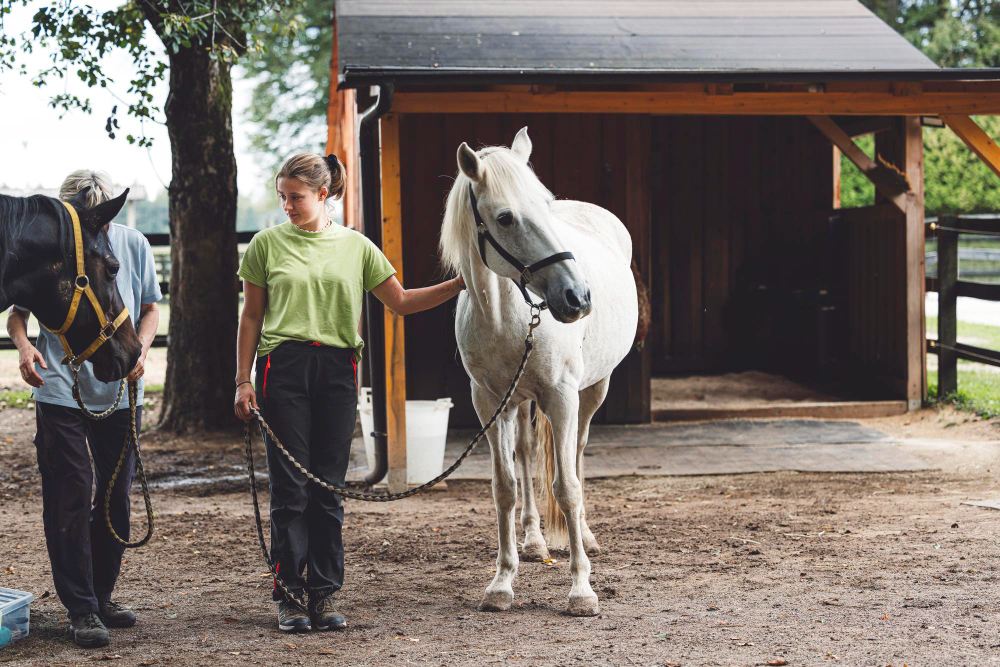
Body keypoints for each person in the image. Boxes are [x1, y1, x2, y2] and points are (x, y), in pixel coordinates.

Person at [233, 153, 464, 633]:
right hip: (283, 368)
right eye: (282, 197)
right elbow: (251, 316)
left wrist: (461, 283)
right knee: (291, 489)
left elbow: (399, 302)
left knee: (328, 487)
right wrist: (242, 379)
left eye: (295, 197)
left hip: (338, 368)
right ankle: (290, 597)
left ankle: (324, 593)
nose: (287, 206)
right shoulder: (265, 245)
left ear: (322, 195)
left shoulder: (357, 247)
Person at [6, 170, 161, 649]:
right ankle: (81, 608)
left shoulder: (132, 243)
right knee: (70, 495)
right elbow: (18, 309)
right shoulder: (52, 247)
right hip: (59, 391)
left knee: (115, 498)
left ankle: (102, 595)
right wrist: (25, 346)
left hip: (119, 393)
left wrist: (143, 350)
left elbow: (151, 306)